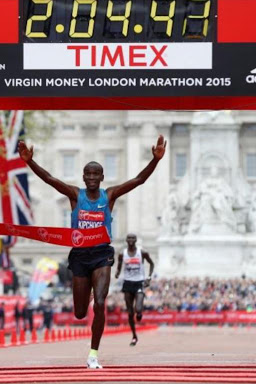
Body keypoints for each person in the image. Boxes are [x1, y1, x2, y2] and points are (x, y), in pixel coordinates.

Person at [18, 135, 166, 369]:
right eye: (88, 174)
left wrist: (155, 160)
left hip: (102, 255)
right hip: (79, 256)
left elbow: (138, 180)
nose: (92, 178)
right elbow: (49, 179)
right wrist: (29, 162)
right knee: (78, 313)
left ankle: (93, 354)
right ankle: (85, 297)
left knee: (99, 303)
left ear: (102, 178)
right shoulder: (76, 195)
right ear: (84, 177)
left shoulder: (110, 195)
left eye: (96, 174)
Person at [115, 233, 154, 346]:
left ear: (136, 240)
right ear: (126, 240)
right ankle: (134, 336)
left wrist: (149, 278)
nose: (131, 240)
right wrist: (117, 273)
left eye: (133, 238)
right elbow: (118, 267)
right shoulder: (122, 254)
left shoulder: (142, 252)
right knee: (130, 313)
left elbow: (151, 264)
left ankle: (140, 313)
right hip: (127, 283)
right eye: (129, 238)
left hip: (139, 282)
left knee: (138, 309)